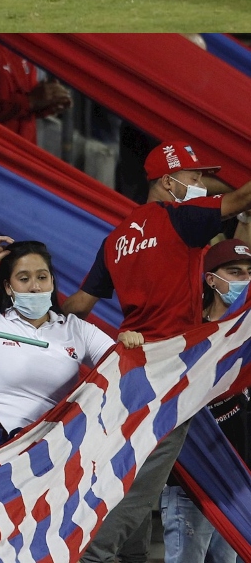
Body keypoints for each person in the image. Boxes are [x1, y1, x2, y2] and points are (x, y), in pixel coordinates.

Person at [63, 143, 251, 563]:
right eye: (194, 177)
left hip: (129, 369)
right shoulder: (181, 218)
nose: (201, 184)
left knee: (128, 473)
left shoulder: (116, 238)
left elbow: (79, 305)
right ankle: (94, 556)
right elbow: (242, 199)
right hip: (171, 371)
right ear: (168, 182)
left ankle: (125, 557)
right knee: (143, 486)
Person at [0, 239, 114, 443]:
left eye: (42, 277)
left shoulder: (77, 330)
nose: (35, 287)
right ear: (8, 287)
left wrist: (129, 344)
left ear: (52, 282)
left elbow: (123, 367)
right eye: (24, 278)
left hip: (45, 450)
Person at [159, 239, 251, 563]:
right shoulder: (186, 334)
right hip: (193, 480)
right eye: (235, 272)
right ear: (211, 280)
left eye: (250, 272)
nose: (245, 279)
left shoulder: (248, 335)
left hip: (238, 483)